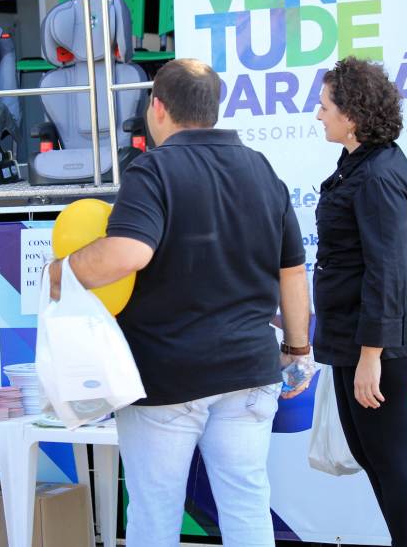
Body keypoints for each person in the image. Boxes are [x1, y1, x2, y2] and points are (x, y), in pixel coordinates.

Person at [49, 58, 312, 547]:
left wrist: (64, 269)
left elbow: (129, 252)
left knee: (155, 513)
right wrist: (298, 350)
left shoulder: (153, 169)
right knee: (247, 508)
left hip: (167, 375)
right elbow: (293, 270)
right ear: (214, 108)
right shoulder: (260, 168)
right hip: (249, 370)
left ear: (158, 107)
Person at [313, 57, 407, 547]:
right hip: (356, 337)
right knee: (372, 457)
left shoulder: (378, 175)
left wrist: (371, 357)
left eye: (325, 107)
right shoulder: (360, 164)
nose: (319, 115)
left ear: (352, 116)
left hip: (380, 345)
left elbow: (386, 273)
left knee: (391, 461)